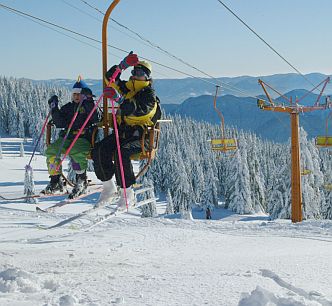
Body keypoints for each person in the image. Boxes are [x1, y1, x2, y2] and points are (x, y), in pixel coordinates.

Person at [92, 53, 161, 209]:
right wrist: (122, 65)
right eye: (134, 72)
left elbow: (140, 111)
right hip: (123, 133)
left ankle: (127, 193)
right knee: (99, 149)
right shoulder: (128, 88)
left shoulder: (149, 95)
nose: (136, 76)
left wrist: (120, 100)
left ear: (147, 77)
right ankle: (109, 187)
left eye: (140, 74)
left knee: (120, 153)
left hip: (141, 136)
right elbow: (110, 78)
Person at [42, 79, 100, 198]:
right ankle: (55, 180)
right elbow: (59, 123)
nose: (77, 96)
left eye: (79, 94)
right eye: (74, 94)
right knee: (51, 151)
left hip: (83, 137)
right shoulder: (68, 107)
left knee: (76, 151)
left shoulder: (89, 106)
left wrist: (88, 101)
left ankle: (81, 179)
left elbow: (96, 118)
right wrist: (54, 108)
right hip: (67, 137)